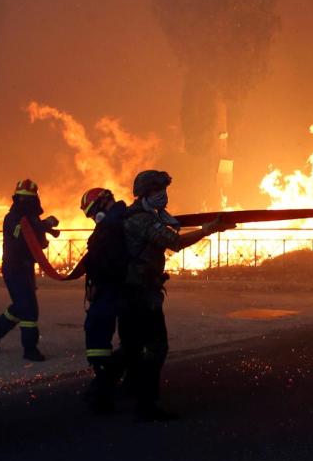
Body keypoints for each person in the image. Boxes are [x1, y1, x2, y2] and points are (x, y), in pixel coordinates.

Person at [120, 170, 235, 421]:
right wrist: (207, 230)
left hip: (132, 291)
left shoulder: (140, 215)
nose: (163, 195)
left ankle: (119, 390)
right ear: (145, 193)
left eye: (164, 190)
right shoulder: (143, 220)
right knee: (156, 347)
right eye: (158, 190)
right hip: (141, 294)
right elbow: (175, 243)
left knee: (132, 346)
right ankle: (146, 404)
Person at [0, 179, 60, 361]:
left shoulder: (32, 217)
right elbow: (22, 234)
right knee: (29, 309)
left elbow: (38, 242)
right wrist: (45, 224)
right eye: (24, 199)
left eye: (30, 199)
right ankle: (30, 349)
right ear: (18, 199)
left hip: (26, 268)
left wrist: (44, 232)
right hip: (14, 268)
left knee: (20, 306)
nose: (28, 202)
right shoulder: (12, 218)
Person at [79, 187, 129, 414]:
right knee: (114, 339)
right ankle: (103, 387)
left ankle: (102, 391)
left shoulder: (114, 223)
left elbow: (108, 260)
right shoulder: (115, 221)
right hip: (109, 288)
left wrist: (98, 281)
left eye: (92, 212)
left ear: (103, 203)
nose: (92, 217)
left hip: (112, 288)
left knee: (97, 335)